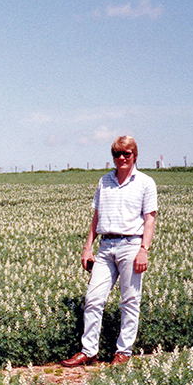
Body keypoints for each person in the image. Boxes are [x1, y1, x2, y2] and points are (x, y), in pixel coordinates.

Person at [62, 136, 158, 367]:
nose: (122, 158)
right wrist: (88, 248)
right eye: (117, 154)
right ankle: (89, 351)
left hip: (131, 245)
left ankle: (123, 352)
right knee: (93, 298)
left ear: (135, 155)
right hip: (105, 247)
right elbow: (96, 216)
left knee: (130, 300)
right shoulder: (104, 181)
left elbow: (150, 219)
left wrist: (144, 250)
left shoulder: (146, 183)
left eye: (127, 153)